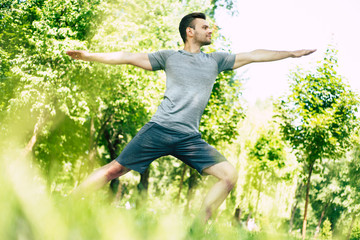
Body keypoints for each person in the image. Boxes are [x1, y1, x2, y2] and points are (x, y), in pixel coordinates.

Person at [66, 12, 315, 223]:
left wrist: (291, 53)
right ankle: (67, 203)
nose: (210, 30)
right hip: (160, 129)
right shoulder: (169, 57)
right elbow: (127, 57)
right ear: (190, 32)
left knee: (229, 175)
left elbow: (254, 55)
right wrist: (89, 55)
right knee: (114, 170)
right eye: (204, 27)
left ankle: (197, 228)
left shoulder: (215, 60)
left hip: (189, 138)